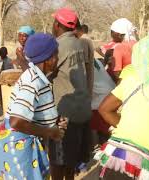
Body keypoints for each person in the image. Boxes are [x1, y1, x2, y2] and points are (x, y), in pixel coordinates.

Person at [95, 34, 149, 179]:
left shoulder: (132, 79)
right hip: (137, 163)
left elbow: (104, 109)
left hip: (112, 154)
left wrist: (128, 128)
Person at [0, 33, 68, 179]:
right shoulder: (32, 82)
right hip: (19, 147)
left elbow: (34, 110)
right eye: (56, 55)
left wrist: (54, 120)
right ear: (49, 59)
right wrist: (50, 132)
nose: (58, 59)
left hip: (25, 143)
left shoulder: (38, 77)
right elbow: (17, 121)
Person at [48, 8, 92, 180]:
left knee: (57, 161)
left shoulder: (57, 46)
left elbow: (45, 74)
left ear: (57, 25)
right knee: (70, 161)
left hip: (65, 112)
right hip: (82, 108)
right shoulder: (80, 43)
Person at [75, 23, 94, 95]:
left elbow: (85, 60)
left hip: (86, 73)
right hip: (90, 72)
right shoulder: (88, 38)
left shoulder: (83, 40)